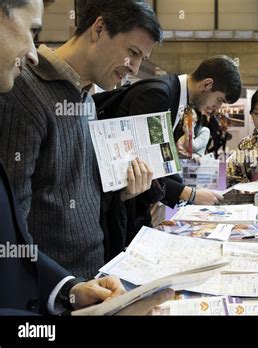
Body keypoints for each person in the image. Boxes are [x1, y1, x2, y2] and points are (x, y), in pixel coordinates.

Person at [0, 0, 173, 315]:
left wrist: (123, 192)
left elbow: (75, 189)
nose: (135, 67)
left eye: (142, 58)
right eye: (133, 53)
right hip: (50, 297)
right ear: (99, 28)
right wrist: (62, 290)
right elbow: (12, 227)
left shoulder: (88, 100)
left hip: (90, 282)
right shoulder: (24, 94)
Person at [93, 55, 241, 242]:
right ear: (206, 84)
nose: (217, 108)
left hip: (133, 199)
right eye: (219, 100)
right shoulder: (159, 96)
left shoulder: (174, 97)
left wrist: (187, 191)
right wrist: (190, 194)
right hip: (116, 203)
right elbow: (145, 163)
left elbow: (161, 160)